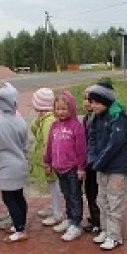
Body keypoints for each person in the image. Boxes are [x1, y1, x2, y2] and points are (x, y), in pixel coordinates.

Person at [86, 83, 127, 250]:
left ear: (105, 101)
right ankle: (105, 230)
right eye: (91, 102)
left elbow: (116, 143)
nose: (93, 106)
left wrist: (100, 161)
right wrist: (92, 158)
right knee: (102, 199)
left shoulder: (118, 117)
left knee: (114, 201)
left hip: (117, 168)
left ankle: (114, 236)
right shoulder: (96, 118)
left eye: (96, 102)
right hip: (101, 166)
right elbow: (91, 139)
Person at [0, 83, 30, 243]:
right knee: (19, 196)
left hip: (5, 167)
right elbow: (26, 145)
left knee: (9, 198)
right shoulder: (21, 122)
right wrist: (25, 159)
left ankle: (19, 229)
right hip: (20, 165)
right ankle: (21, 224)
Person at [44, 91, 87, 241]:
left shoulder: (76, 127)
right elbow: (49, 145)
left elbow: (81, 149)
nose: (61, 112)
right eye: (58, 109)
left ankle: (76, 223)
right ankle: (69, 218)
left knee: (75, 196)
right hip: (58, 168)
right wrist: (47, 162)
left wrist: (81, 167)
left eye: (64, 109)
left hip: (73, 169)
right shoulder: (54, 126)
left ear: (72, 109)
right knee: (67, 195)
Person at [28, 88, 64, 228]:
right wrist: (37, 122)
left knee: (54, 185)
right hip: (50, 160)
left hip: (50, 161)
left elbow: (48, 143)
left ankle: (57, 212)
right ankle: (55, 207)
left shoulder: (49, 121)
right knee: (52, 185)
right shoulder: (44, 119)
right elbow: (34, 129)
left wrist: (47, 162)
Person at [80, 85, 101, 234]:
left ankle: (99, 221)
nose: (87, 102)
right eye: (85, 99)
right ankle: (94, 218)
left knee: (96, 191)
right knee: (89, 191)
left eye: (90, 99)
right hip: (88, 161)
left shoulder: (98, 118)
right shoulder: (86, 118)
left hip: (97, 162)